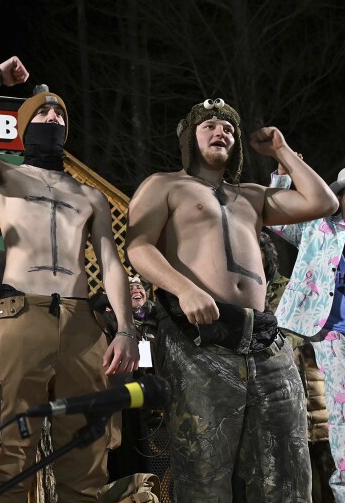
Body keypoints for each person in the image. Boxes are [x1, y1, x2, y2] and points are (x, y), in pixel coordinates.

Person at [0, 56, 138, 502]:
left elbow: (110, 260)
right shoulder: (4, 176)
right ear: (25, 127)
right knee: (8, 449)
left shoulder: (90, 195)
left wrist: (125, 329)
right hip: (21, 313)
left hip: (81, 321)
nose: (53, 118)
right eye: (44, 113)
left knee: (88, 450)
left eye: (60, 115)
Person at [126, 98, 337, 500]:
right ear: (190, 137)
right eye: (209, 126)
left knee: (289, 474)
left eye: (228, 128)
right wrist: (185, 288)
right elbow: (138, 247)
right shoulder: (165, 185)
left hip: (263, 341)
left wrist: (280, 150)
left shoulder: (252, 196)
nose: (220, 131)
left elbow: (322, 202)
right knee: (204, 474)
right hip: (198, 338)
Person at [268, 165, 345, 500]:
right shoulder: (318, 226)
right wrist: (282, 178)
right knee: (342, 418)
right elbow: (277, 217)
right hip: (332, 334)